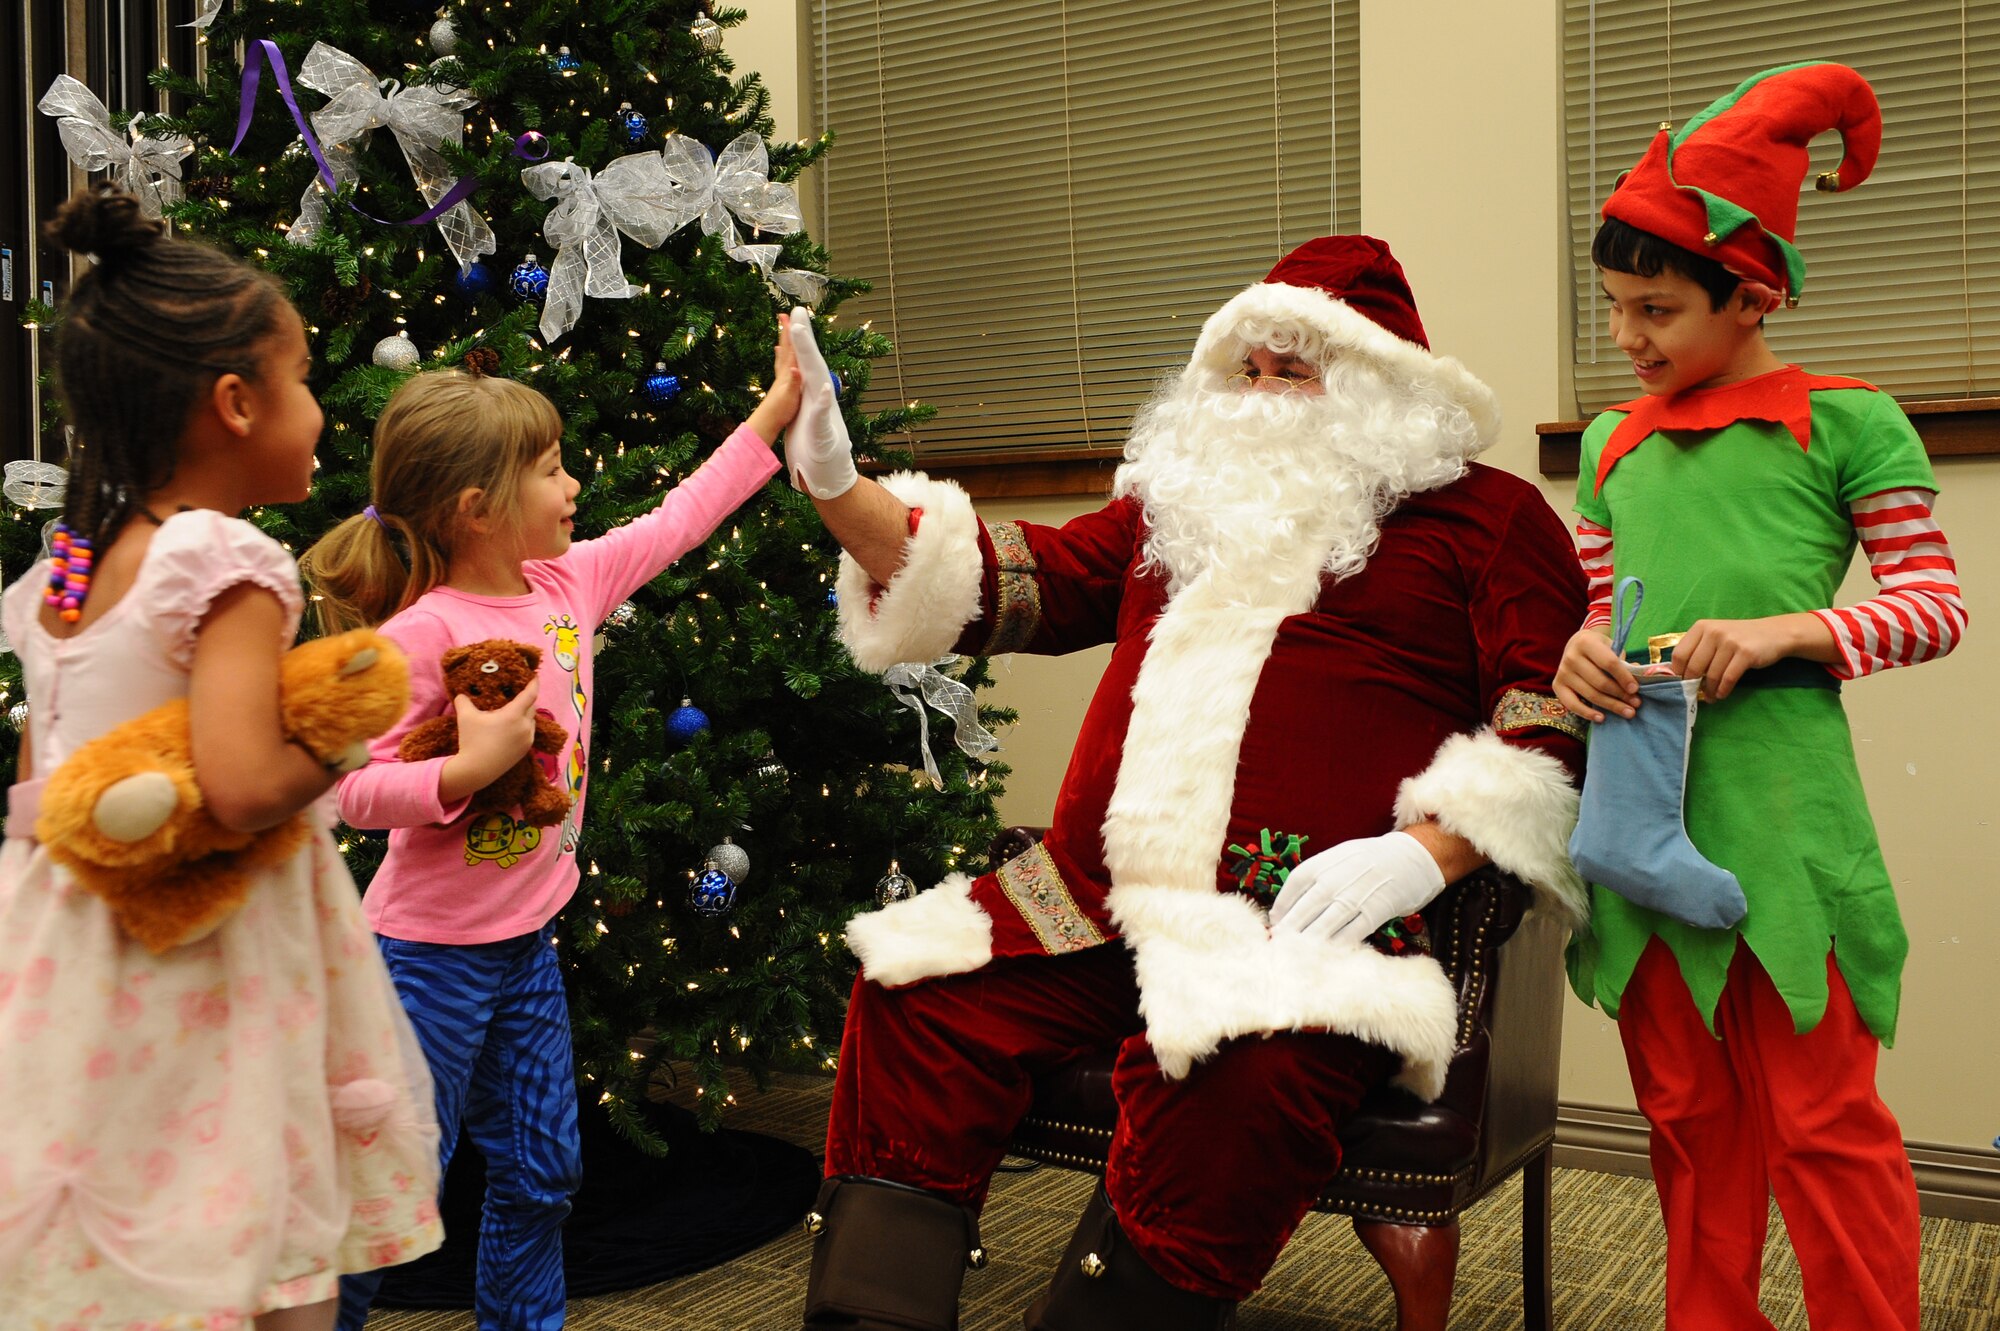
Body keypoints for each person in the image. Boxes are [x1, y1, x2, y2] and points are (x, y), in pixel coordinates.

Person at [779, 236, 1589, 1329]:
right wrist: (836, 482)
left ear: (1378, 386)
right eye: (1244, 369)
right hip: (1086, 905)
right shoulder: (1174, 509)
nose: (1257, 397)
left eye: (1290, 371)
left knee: (1235, 1084)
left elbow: (1549, 718)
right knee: (914, 994)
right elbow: (1004, 584)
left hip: (1295, 935)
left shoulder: (1488, 521)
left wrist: (1423, 850)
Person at [1553, 63, 1966, 1331]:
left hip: (1784, 824)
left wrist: (1789, 629)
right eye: (1615, 308)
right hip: (1635, 819)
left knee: (1822, 1124)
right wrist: (1576, 659)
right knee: (1682, 1124)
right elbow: (1594, 611)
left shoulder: (1845, 423)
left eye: (1656, 309)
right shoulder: (1608, 445)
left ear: (1750, 291)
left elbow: (1934, 605)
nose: (1627, 338)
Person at [0, 186, 442, 1330]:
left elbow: (37, 780)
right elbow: (244, 787)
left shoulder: (69, 561)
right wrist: (341, 736)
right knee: (248, 1213)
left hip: (66, 953)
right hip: (209, 951)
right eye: (301, 383)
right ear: (236, 403)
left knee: (122, 1225)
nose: (319, 414)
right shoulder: (228, 559)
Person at [304, 329, 800, 1331]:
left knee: (540, 1172)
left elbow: (680, 520)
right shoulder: (417, 635)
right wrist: (464, 773)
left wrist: (775, 411)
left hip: (524, 949)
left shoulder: (567, 588)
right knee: (389, 1197)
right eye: (550, 468)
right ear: (475, 508)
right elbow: (340, 794)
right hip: (421, 959)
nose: (574, 484)